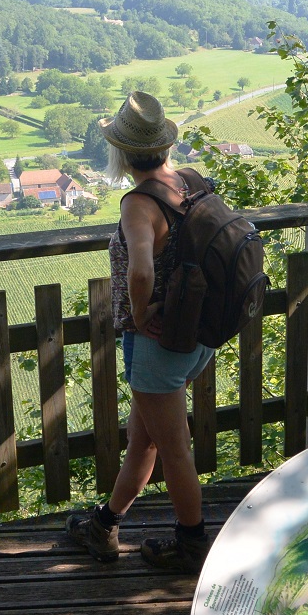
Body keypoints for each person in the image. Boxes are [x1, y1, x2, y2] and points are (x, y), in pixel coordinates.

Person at [66, 91, 214, 572]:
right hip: (197, 335)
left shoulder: (138, 203)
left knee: (173, 450)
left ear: (124, 155)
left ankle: (192, 544)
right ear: (164, 146)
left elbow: (143, 271)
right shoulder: (189, 182)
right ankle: (104, 525)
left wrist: (140, 308)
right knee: (143, 441)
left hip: (157, 344)